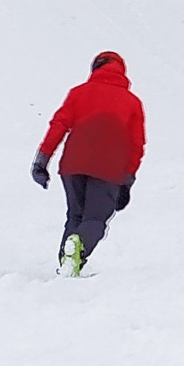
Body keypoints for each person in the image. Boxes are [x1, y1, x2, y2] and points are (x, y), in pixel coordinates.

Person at [32, 51, 144, 274]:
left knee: (75, 214)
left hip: (73, 164)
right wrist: (127, 181)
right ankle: (78, 250)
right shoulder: (132, 103)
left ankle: (68, 262)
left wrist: (41, 161)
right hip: (109, 168)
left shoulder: (78, 93)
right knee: (94, 218)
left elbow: (59, 125)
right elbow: (136, 146)